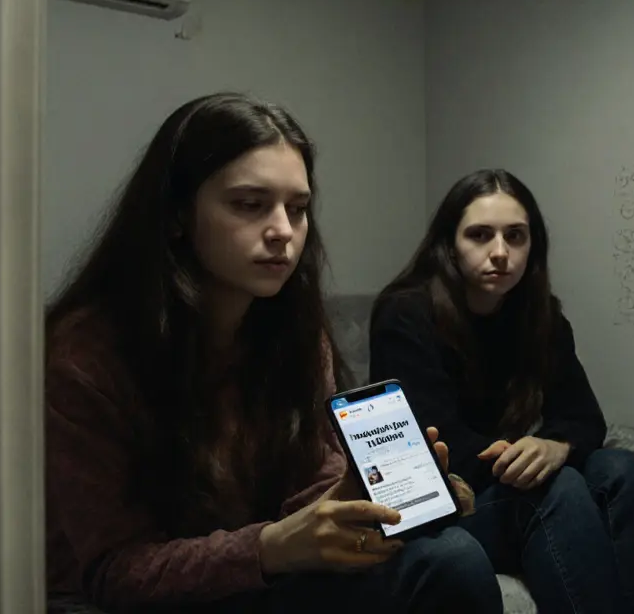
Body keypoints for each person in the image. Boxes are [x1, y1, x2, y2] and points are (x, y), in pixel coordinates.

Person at [45, 93, 503, 614]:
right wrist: (271, 547)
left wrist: (356, 496)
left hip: (260, 576)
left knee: (446, 552)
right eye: (249, 204)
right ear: (176, 215)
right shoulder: (87, 357)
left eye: (298, 208)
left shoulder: (294, 333)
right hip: (135, 597)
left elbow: (308, 484)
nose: (284, 231)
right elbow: (115, 572)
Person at [368, 169, 634, 614]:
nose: (500, 253)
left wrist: (555, 444)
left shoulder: (540, 317)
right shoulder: (406, 313)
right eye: (480, 235)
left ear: (532, 246)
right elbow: (436, 444)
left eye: (515, 237)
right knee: (553, 487)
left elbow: (584, 418)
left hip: (497, 480)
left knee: (622, 470)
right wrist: (531, 458)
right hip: (447, 493)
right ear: (450, 243)